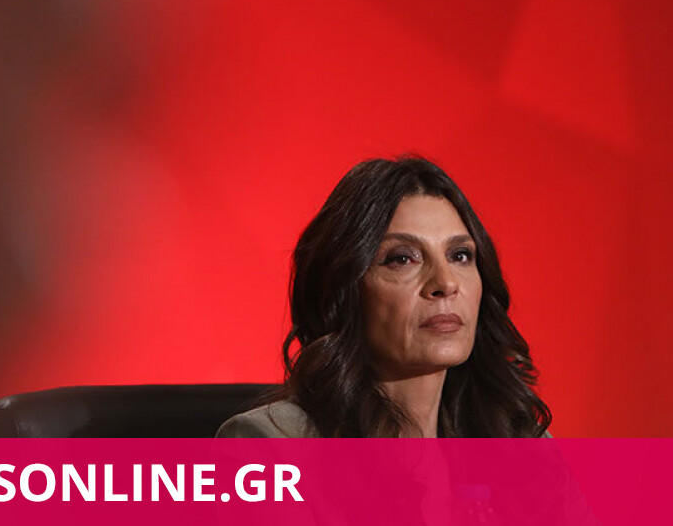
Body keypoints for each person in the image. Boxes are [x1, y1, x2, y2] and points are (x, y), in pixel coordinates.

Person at [217, 156, 551, 438]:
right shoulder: (269, 444)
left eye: (460, 255)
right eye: (402, 258)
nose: (446, 283)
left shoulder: (520, 439)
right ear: (345, 289)